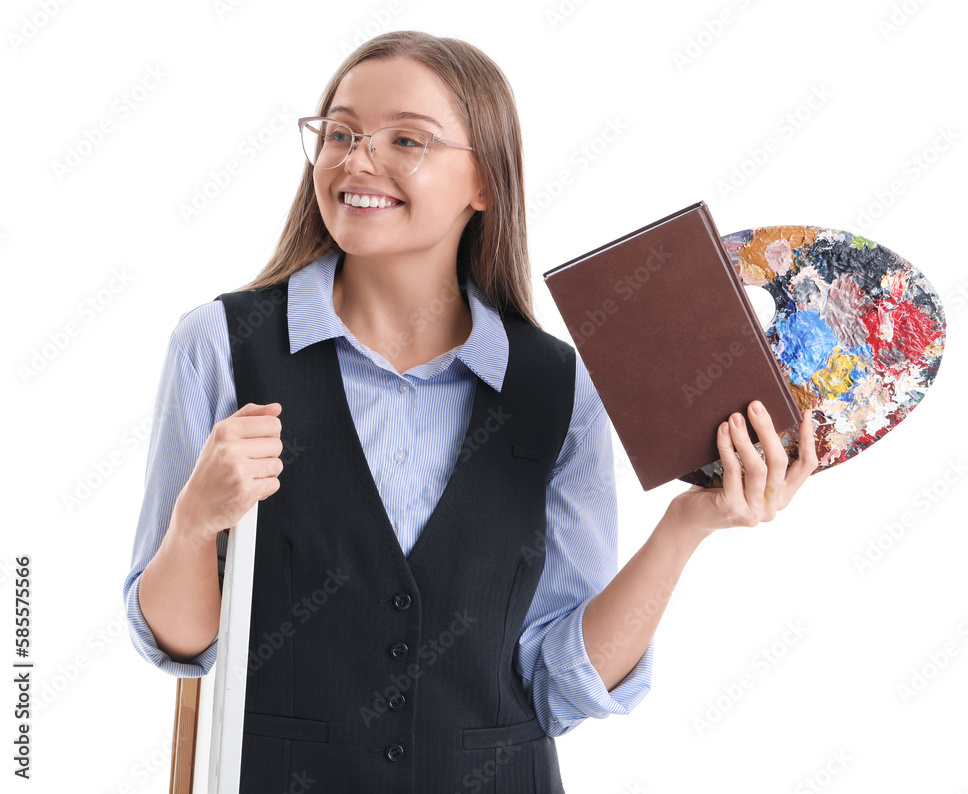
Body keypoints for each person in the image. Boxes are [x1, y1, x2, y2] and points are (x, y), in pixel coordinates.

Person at [123, 30, 817, 793]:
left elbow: (559, 682)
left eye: (405, 139)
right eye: (342, 133)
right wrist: (194, 522)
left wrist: (690, 524)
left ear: (484, 181)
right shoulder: (222, 346)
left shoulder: (557, 386)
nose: (357, 159)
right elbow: (178, 644)